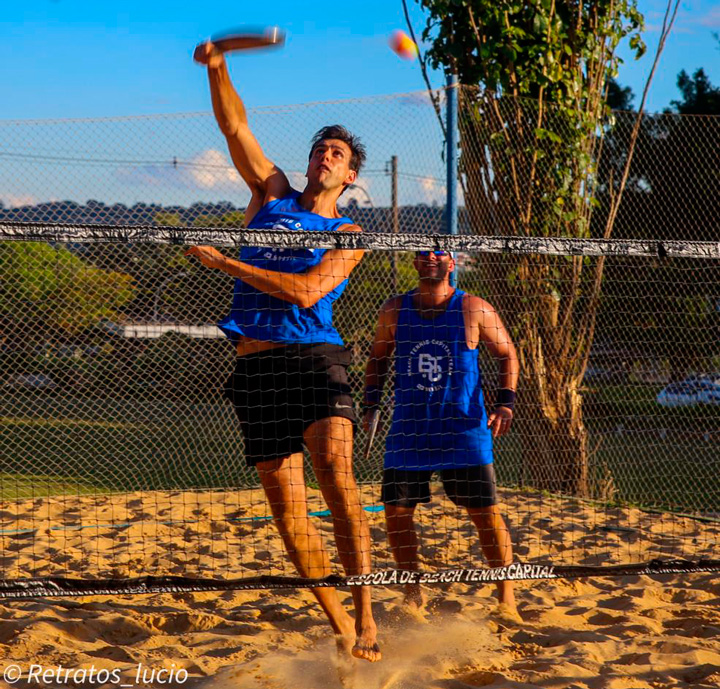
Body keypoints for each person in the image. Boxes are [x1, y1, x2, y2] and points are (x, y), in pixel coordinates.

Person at [186, 41, 380, 663]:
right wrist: (219, 67)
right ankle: (339, 625)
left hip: (315, 358)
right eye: (321, 148)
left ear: (350, 177)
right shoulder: (270, 195)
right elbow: (235, 126)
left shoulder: (347, 233)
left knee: (337, 475)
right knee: (287, 511)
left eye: (339, 154)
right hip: (255, 365)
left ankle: (367, 614)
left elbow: (306, 291)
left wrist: (225, 262)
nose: (326, 155)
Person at [363, 250, 520, 619]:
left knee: (485, 514)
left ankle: (506, 601)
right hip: (409, 430)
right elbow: (377, 358)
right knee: (397, 514)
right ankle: (412, 596)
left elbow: (508, 354)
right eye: (423, 253)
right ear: (415, 263)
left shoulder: (474, 308)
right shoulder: (394, 309)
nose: (431, 258)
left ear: (453, 263)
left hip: (462, 432)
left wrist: (506, 404)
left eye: (440, 253)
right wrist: (370, 404)